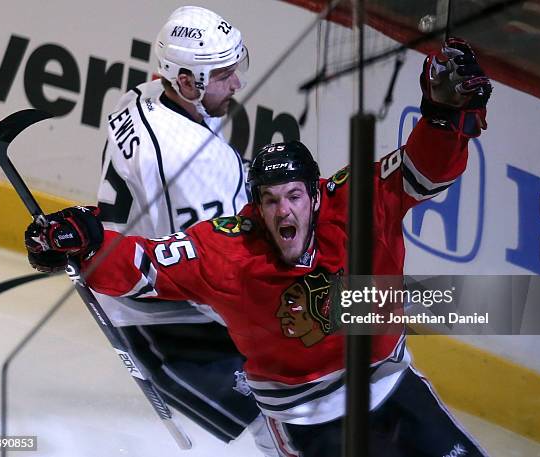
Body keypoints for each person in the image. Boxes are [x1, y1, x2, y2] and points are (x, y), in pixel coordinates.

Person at [25, 38, 492, 456]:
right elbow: (141, 264)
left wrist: (443, 116)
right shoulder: (227, 249)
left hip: (391, 386)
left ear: (316, 194)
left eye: (293, 196)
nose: (283, 211)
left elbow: (424, 171)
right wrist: (85, 238)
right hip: (307, 421)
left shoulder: (358, 202)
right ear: (256, 206)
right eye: (269, 200)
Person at [93, 5, 278, 453]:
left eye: (238, 67)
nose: (237, 83)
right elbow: (211, 279)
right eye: (223, 74)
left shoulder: (141, 95)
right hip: (172, 328)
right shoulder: (190, 164)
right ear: (186, 81)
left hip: (141, 284)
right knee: (286, 416)